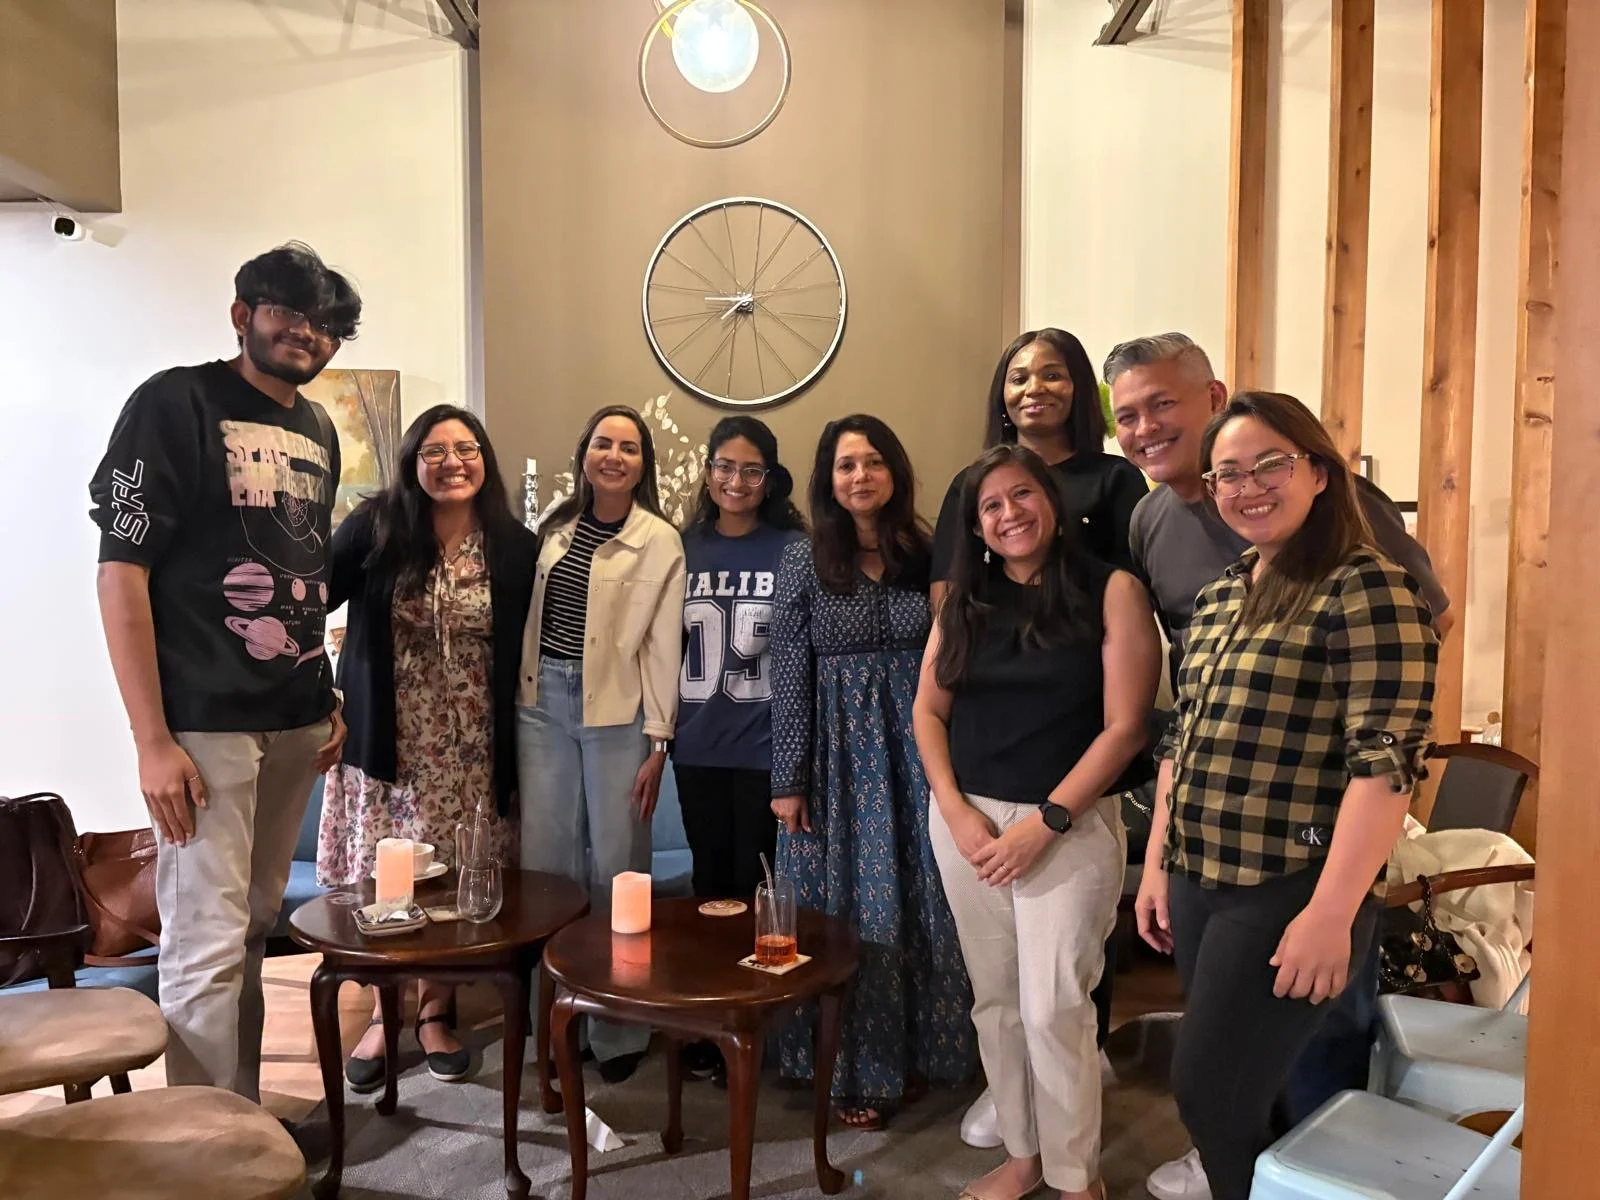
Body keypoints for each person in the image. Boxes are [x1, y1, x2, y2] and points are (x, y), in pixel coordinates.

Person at [1104, 333, 1451, 1200]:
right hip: (1198, 873)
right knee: (1231, 1091)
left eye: (1270, 466)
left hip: (1288, 882)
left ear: (1319, 472)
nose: (1247, 487)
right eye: (1229, 474)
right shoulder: (1225, 593)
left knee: (1210, 1091)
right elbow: (1184, 735)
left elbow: (1386, 762)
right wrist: (1154, 867)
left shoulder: (1367, 586)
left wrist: (1333, 913)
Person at [89, 242, 358, 1098]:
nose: (305, 334)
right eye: (287, 312)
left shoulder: (316, 429)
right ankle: (201, 1160)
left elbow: (304, 573)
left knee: (250, 929)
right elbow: (120, 572)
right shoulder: (175, 404)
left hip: (297, 719)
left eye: (323, 324)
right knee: (202, 942)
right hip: (204, 725)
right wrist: (150, 740)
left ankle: (235, 1127)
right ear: (243, 314)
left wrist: (328, 696)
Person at [915, 445, 1160, 1200]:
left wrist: (1047, 821)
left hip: (1068, 824)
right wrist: (956, 812)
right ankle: (1023, 1158)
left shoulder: (1110, 588)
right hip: (969, 825)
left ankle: (1076, 1176)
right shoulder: (964, 600)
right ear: (976, 525)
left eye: (1022, 495)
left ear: (1052, 504)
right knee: (994, 1001)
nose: (1009, 513)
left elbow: (1125, 726)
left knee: (1054, 1005)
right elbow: (928, 709)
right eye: (991, 505)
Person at [319, 405, 537, 1091]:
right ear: (413, 461)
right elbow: (303, 606)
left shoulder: (513, 544)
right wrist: (320, 699)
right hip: (392, 746)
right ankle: (386, 1013)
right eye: (435, 450)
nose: (453, 462)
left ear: (486, 459)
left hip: (475, 749)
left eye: (466, 448)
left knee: (453, 883)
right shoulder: (373, 529)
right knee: (390, 879)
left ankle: (436, 1011)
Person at [770, 414, 977, 1130]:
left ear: (895, 471)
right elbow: (790, 669)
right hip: (834, 755)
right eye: (846, 465)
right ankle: (848, 1066)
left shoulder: (928, 550)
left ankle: (925, 1053)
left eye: (874, 462)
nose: (861, 476)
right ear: (829, 480)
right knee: (844, 911)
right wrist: (787, 779)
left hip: (919, 746)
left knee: (927, 900)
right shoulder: (804, 558)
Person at [517, 405, 685, 1083]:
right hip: (540, 708)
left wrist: (659, 741)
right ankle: (552, 1020)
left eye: (629, 448)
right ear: (584, 452)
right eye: (602, 444)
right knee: (546, 870)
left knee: (621, 869)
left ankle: (618, 1028)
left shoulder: (660, 541)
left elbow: (661, 645)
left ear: (644, 465)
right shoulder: (553, 528)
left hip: (619, 713)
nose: (614, 456)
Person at [674, 415, 807, 901]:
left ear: (769, 481)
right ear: (708, 474)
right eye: (725, 467)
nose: (736, 482)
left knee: (761, 888)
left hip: (765, 750)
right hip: (697, 745)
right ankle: (708, 980)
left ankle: (759, 979)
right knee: (708, 885)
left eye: (752, 471)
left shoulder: (795, 551)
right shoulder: (680, 548)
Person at [930, 327, 1148, 604]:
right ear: (1002, 395)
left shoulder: (1117, 478)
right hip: (990, 641)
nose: (1034, 389)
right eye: (1019, 379)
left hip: (1095, 639)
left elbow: (1136, 592)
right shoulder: (969, 484)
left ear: (1078, 388)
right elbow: (947, 598)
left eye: (1052, 376)